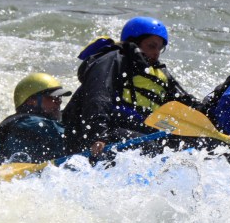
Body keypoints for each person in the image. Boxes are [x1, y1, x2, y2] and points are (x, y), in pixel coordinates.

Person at [62, 16, 197, 156]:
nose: (156, 53)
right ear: (134, 42)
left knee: (182, 147)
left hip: (136, 134)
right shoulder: (112, 59)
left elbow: (184, 103)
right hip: (99, 135)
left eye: (160, 48)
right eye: (151, 46)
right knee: (147, 146)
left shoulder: (159, 73)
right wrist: (98, 135)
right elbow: (98, 96)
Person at [0, 73, 71, 166]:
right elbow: (72, 137)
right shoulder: (32, 124)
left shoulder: (18, 122)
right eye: (53, 97)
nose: (59, 102)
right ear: (32, 101)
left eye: (60, 98)